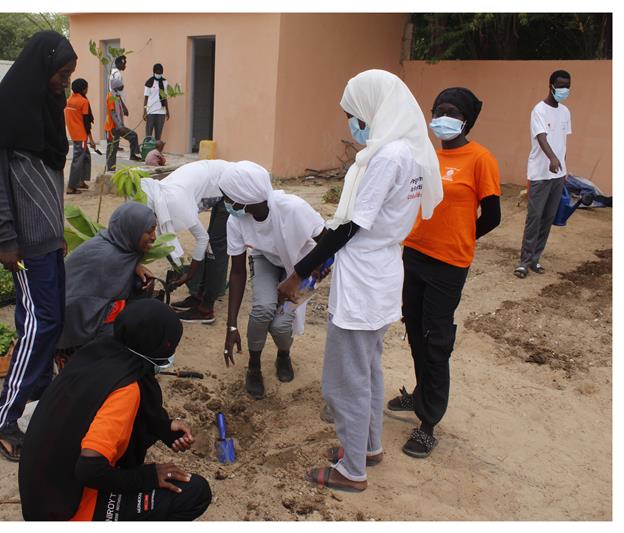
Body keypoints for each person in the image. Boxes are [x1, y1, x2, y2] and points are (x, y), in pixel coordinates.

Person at [278, 69, 443, 492]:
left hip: (364, 281)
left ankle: (352, 470)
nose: (352, 122)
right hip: (383, 272)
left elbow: (349, 226)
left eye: (354, 113)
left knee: (343, 380)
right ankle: (367, 447)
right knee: (368, 370)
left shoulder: (387, 157)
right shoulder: (411, 152)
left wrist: (299, 273)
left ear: (374, 106)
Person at [385, 87, 501, 459]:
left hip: (449, 265)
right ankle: (420, 394)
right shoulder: (428, 157)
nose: (442, 117)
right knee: (414, 329)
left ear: (465, 118)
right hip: (415, 256)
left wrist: (463, 238)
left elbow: (493, 215)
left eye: (451, 111)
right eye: (438, 110)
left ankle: (429, 423)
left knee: (436, 340)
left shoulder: (481, 159)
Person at [19, 299, 212, 521]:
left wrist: (162, 427)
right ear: (158, 346)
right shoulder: (127, 391)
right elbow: (90, 468)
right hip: (69, 510)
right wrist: (148, 477)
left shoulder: (94, 355)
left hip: (45, 496)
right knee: (194, 491)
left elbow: (99, 412)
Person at [0, 31, 78, 462]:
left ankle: (37, 395)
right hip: (25, 248)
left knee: (49, 322)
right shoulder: (4, 114)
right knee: (41, 325)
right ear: (42, 68)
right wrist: (6, 239)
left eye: (70, 75)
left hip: (50, 242)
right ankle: (3, 418)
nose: (64, 83)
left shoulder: (48, 112)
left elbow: (50, 182)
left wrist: (59, 238)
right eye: (61, 74)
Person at [221, 161, 326, 399]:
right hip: (266, 258)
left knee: (280, 325)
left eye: (229, 198)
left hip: (304, 265)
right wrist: (231, 326)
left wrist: (303, 280)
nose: (226, 203)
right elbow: (237, 271)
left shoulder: (293, 209)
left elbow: (327, 245)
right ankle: (254, 366)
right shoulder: (236, 220)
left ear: (246, 196)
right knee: (262, 309)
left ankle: (283, 354)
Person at [57, 202, 157, 363]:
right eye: (148, 231)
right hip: (71, 322)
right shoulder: (109, 258)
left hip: (72, 314)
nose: (154, 237)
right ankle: (83, 354)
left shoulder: (111, 241)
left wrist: (135, 267)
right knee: (130, 315)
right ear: (132, 229)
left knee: (138, 290)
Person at [138, 160, 234, 325]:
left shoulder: (174, 201)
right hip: (215, 180)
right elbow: (164, 236)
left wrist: (189, 274)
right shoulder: (156, 196)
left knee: (215, 247)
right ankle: (198, 297)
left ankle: (206, 309)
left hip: (230, 185)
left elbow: (202, 238)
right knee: (209, 245)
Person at [515, 69, 572, 279]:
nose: (564, 90)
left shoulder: (566, 112)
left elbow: (563, 142)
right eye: (561, 85)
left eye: (568, 86)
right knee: (535, 217)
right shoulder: (539, 110)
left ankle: (535, 259)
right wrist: (552, 159)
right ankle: (523, 261)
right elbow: (541, 137)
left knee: (548, 218)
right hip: (540, 173)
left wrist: (563, 165)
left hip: (558, 175)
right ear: (552, 86)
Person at [65, 78, 97, 194]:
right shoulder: (83, 102)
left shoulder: (69, 100)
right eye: (87, 88)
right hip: (81, 135)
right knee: (78, 160)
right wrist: (91, 140)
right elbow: (86, 122)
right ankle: (71, 186)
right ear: (83, 89)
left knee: (86, 156)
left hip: (73, 134)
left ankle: (80, 181)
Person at [105, 76, 142, 171]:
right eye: (121, 87)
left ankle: (133, 155)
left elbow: (123, 109)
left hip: (118, 126)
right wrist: (119, 126)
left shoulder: (117, 96)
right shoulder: (110, 96)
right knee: (112, 148)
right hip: (112, 127)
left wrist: (124, 108)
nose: (122, 89)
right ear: (116, 87)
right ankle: (110, 168)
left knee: (133, 136)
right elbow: (112, 113)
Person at [143, 63, 170, 141]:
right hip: (151, 111)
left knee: (158, 136)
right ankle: (148, 151)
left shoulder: (165, 82)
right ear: (154, 71)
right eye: (157, 72)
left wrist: (167, 110)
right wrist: (145, 111)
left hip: (161, 112)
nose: (159, 73)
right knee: (149, 135)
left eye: (161, 72)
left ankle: (156, 152)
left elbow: (165, 97)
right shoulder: (149, 82)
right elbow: (146, 98)